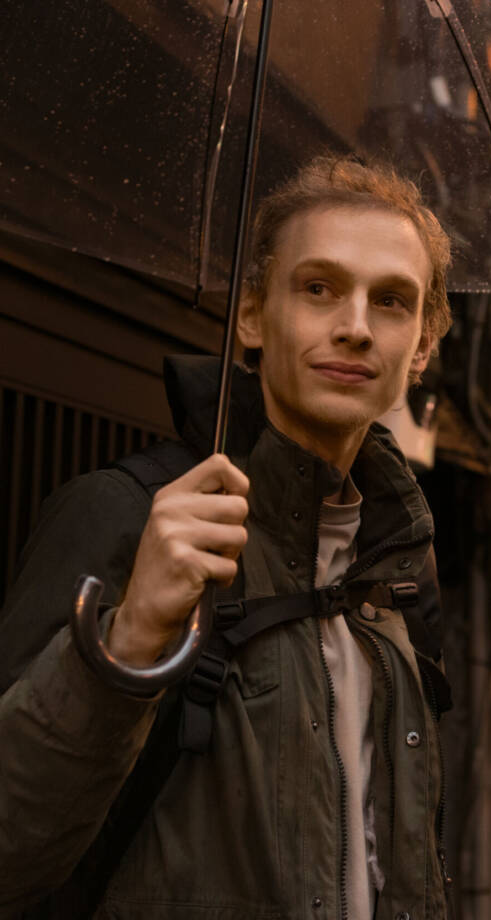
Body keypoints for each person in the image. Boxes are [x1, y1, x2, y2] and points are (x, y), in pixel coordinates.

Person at [0, 156, 453, 919]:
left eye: (392, 302)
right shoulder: (124, 517)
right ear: (250, 315)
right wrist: (131, 636)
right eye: (319, 288)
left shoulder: (398, 566)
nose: (353, 326)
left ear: (423, 345)